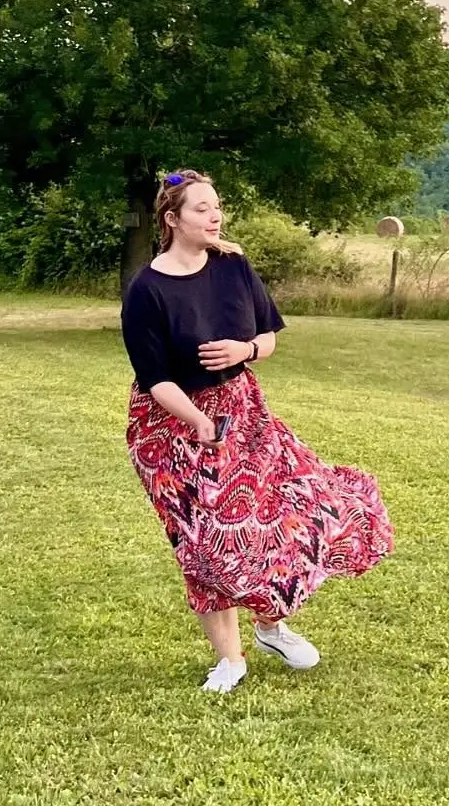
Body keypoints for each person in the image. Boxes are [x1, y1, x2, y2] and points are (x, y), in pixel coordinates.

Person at [121, 168, 393, 693]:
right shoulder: (146, 290)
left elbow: (268, 338)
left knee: (287, 511)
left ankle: (270, 626)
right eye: (200, 208)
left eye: (217, 205)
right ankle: (230, 659)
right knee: (204, 542)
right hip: (171, 426)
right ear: (171, 219)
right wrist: (200, 422)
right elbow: (155, 380)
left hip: (242, 410)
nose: (215, 214)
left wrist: (244, 351)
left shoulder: (233, 266)